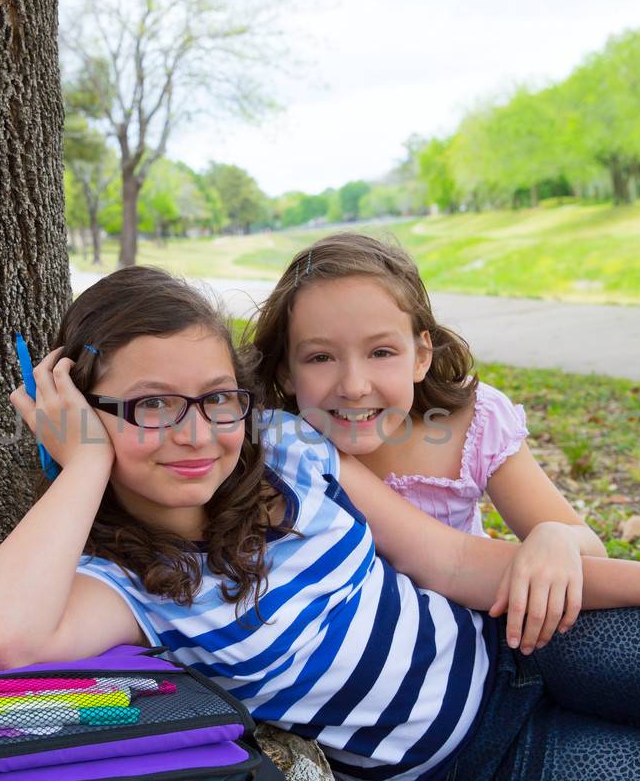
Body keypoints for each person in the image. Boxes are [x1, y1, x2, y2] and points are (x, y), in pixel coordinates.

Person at [0, 267, 640, 781]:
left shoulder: (286, 450)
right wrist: (83, 470)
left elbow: (449, 563)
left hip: (526, 643)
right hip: (482, 770)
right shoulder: (127, 587)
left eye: (214, 397)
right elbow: (2, 640)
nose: (197, 434)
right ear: (83, 419)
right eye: (151, 405)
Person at [251, 232, 606, 648]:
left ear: (421, 356)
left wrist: (556, 536)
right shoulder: (283, 451)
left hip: (491, 637)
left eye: (381, 352)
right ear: (286, 373)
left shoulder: (471, 425)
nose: (353, 386)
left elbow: (591, 552)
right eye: (320, 357)